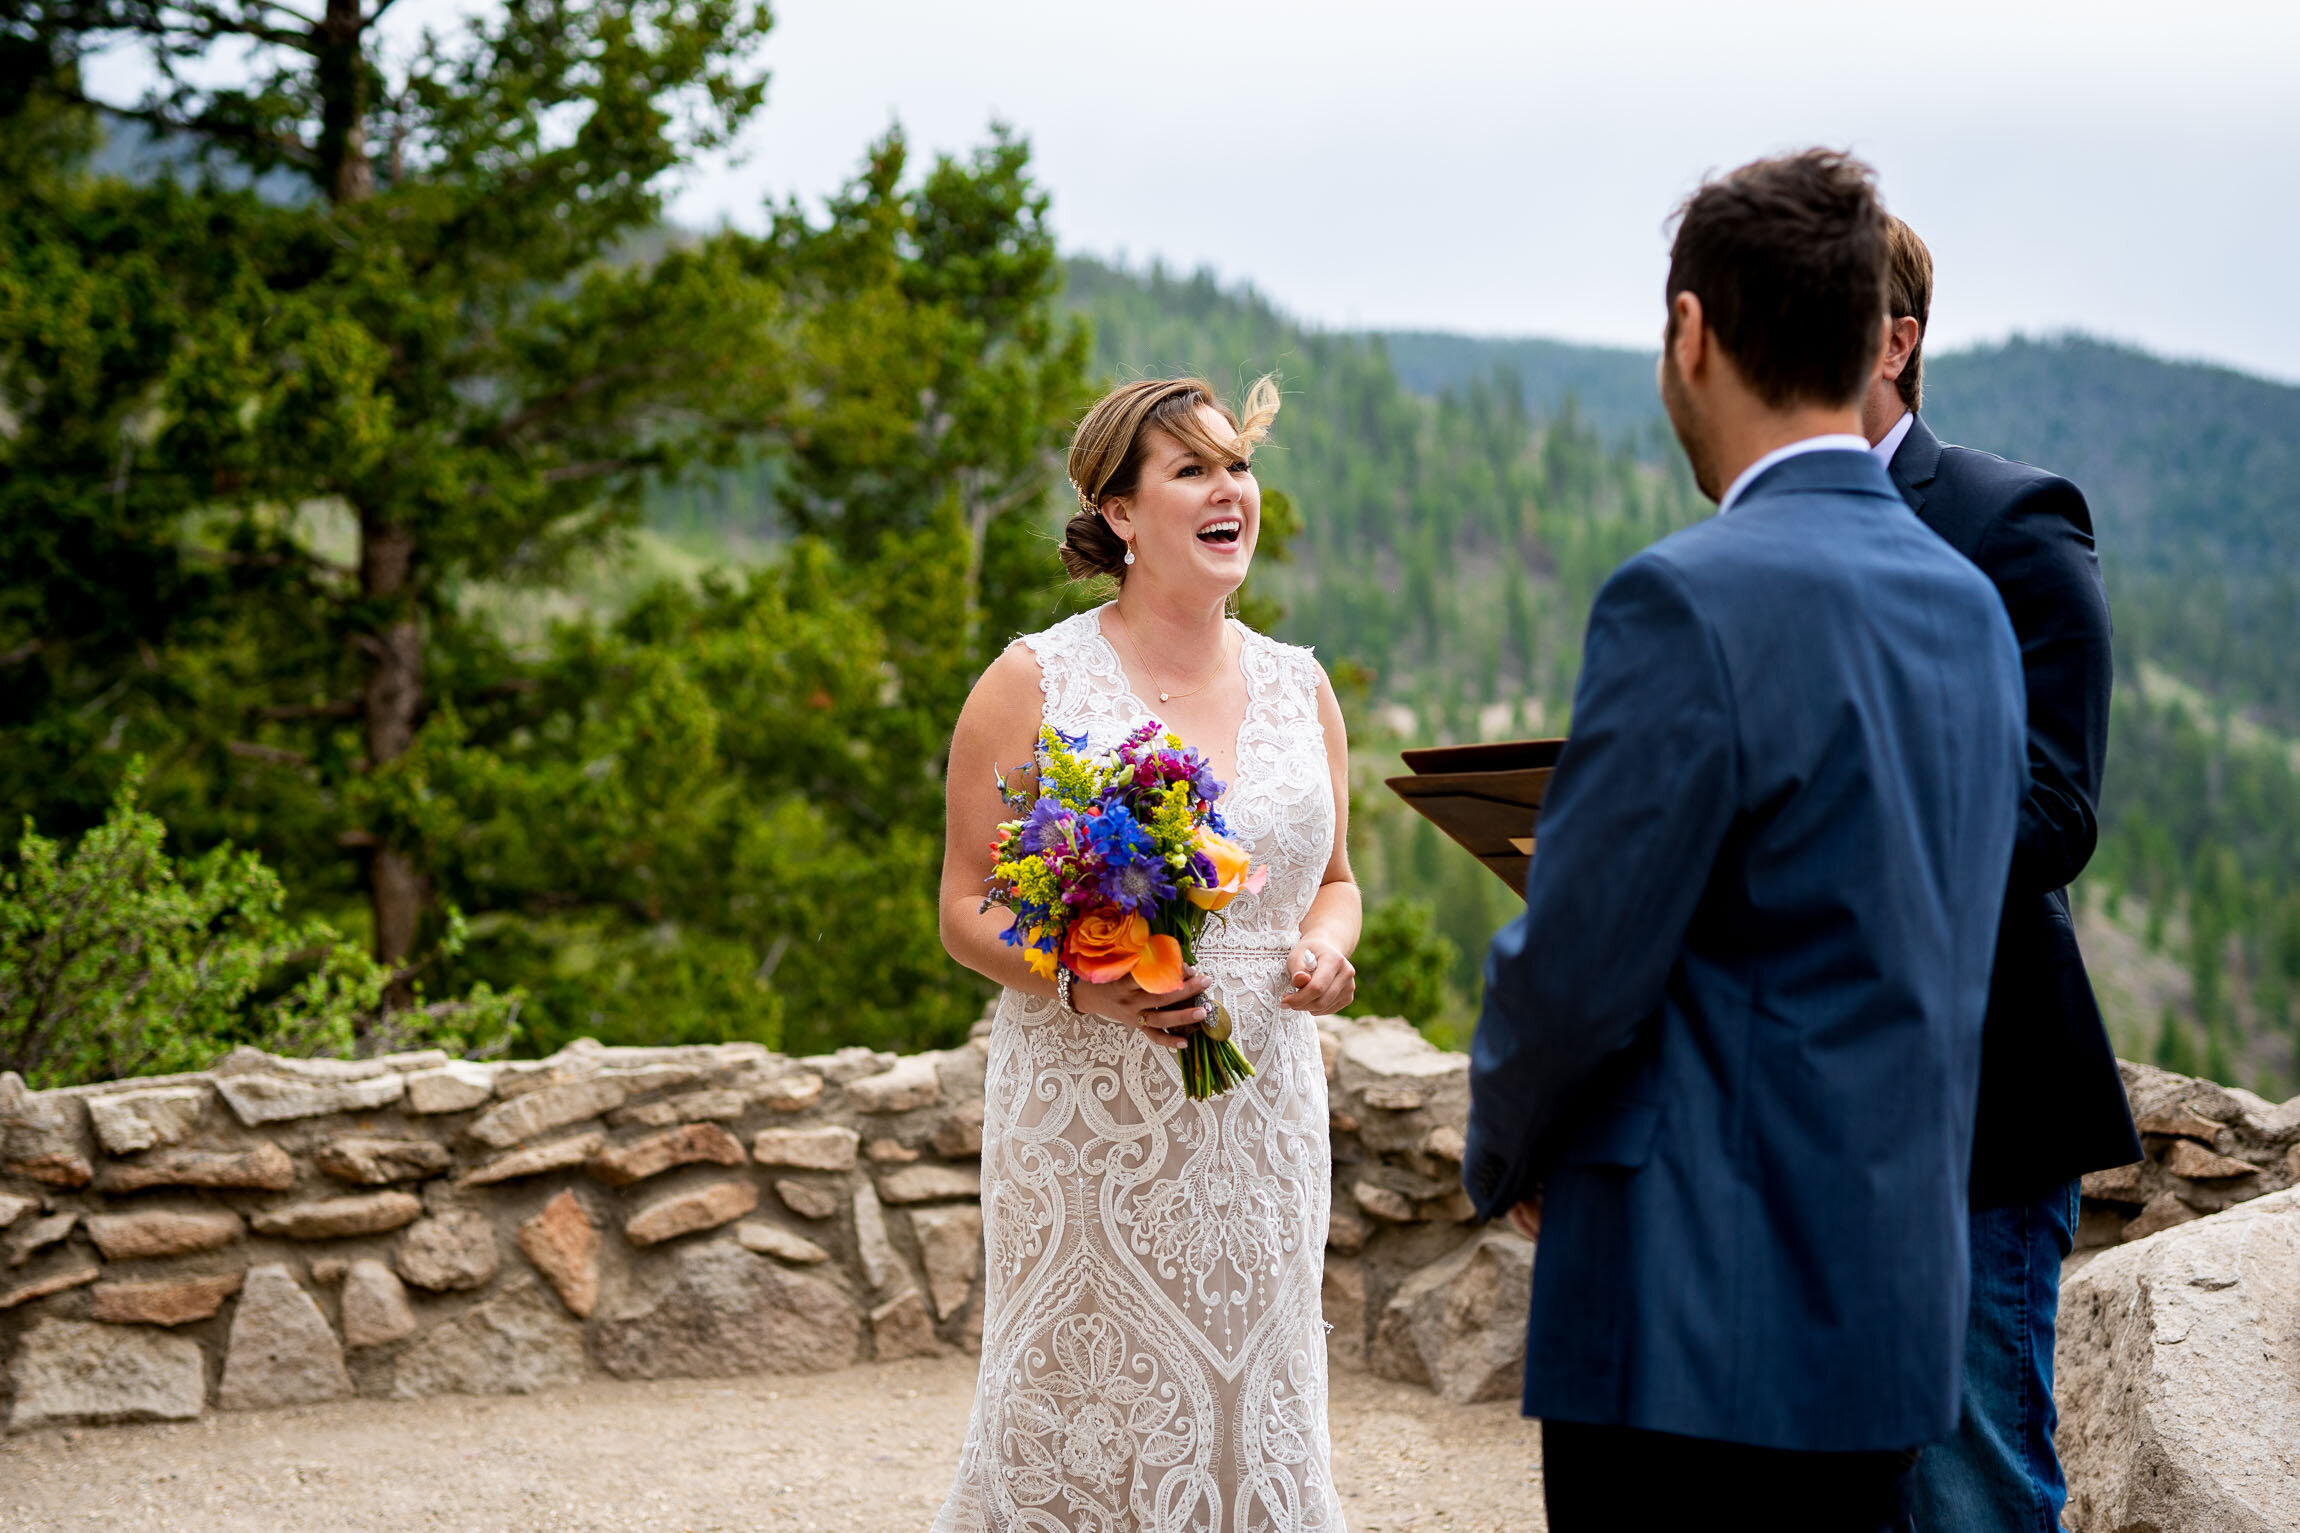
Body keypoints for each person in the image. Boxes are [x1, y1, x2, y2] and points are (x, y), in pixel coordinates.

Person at [1460, 149, 2028, 1532]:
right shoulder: (1968, 606)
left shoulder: (1685, 599)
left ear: (1692, 334)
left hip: (1690, 1318)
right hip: (1890, 1306)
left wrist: (1508, 1149)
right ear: (1863, 338)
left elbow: (1584, 960)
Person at [930, 375, 1363, 1531]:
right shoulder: (1032, 681)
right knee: (1082, 1403)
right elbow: (965, 908)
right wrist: (1086, 983)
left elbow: (1334, 883)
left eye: (1238, 466)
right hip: (1085, 1122)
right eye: (1192, 471)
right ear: (1118, 513)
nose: (1231, 491)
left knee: (1250, 1405)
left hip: (1259, 1115)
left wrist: (1325, 954)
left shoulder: (1297, 683)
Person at [1865, 217, 2143, 1533]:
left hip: (1981, 1100)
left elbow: (2054, 809)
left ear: (1895, 338)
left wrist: (1814, 840)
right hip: (1808, 1110)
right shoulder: (1755, 537)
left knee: (1970, 1486)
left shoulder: (2009, 518)